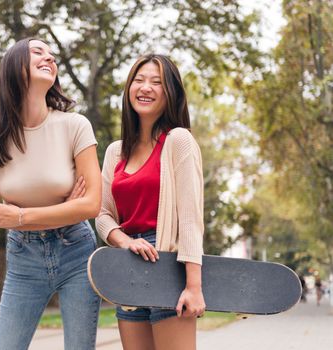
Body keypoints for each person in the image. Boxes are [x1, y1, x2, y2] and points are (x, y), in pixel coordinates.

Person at [0, 37, 102, 350]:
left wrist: (18, 215)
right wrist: (64, 209)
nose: (50, 58)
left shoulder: (75, 126)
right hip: (23, 258)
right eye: (38, 52)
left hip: (77, 251)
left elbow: (93, 204)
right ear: (15, 66)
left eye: (52, 55)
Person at [95, 54, 205, 350]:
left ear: (171, 94)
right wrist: (124, 242)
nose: (146, 88)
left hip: (168, 262)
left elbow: (191, 219)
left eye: (157, 82)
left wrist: (194, 286)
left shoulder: (178, 141)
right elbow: (103, 215)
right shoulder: (115, 152)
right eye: (139, 80)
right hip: (128, 266)